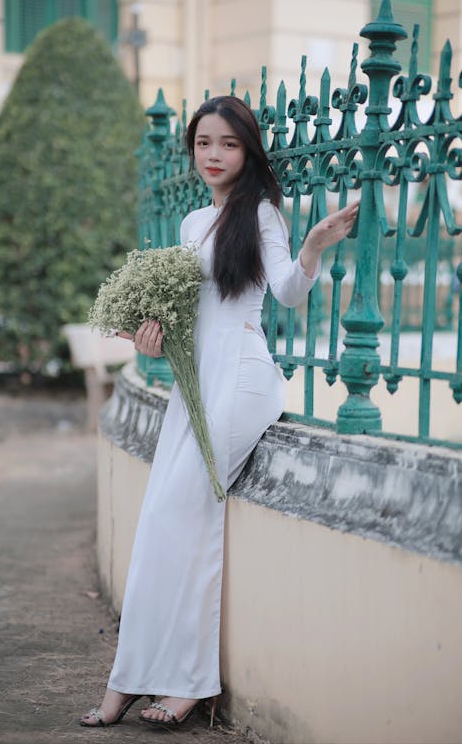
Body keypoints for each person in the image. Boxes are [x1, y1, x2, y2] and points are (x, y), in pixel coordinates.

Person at [80, 96, 359, 729]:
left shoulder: (261, 215)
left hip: (241, 381)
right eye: (204, 143)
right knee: (156, 526)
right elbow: (186, 316)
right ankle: (130, 678)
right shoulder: (188, 224)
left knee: (185, 517)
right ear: (192, 148)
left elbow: (286, 291)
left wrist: (313, 244)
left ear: (248, 151)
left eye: (228, 144)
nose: (214, 155)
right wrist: (147, 333)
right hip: (193, 385)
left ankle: (187, 684)